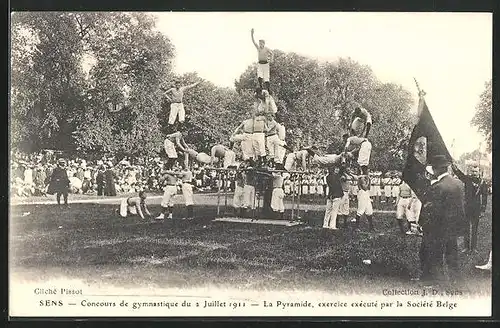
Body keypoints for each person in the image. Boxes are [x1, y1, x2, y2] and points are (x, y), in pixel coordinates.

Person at [418, 155, 465, 285]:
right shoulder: (459, 183)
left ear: (437, 169)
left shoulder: (437, 187)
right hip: (454, 225)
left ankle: (434, 280)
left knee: (434, 253)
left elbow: (431, 210)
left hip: (439, 226)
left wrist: (423, 224)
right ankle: (456, 279)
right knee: (452, 252)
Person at [451, 164, 485, 252]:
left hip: (476, 208)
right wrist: (453, 167)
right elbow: (459, 174)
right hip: (467, 207)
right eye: (472, 171)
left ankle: (473, 248)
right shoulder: (467, 179)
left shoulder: (482, 182)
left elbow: (484, 197)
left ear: (479, 172)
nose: (474, 173)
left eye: (476, 171)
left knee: (474, 229)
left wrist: (483, 210)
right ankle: (466, 247)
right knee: (466, 227)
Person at [323, 166, 344, 230]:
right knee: (334, 211)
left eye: (338, 168)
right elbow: (334, 186)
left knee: (328, 210)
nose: (337, 169)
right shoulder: (336, 177)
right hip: (336, 195)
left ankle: (325, 224)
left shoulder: (328, 177)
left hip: (331, 195)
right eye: (336, 168)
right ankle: (332, 225)